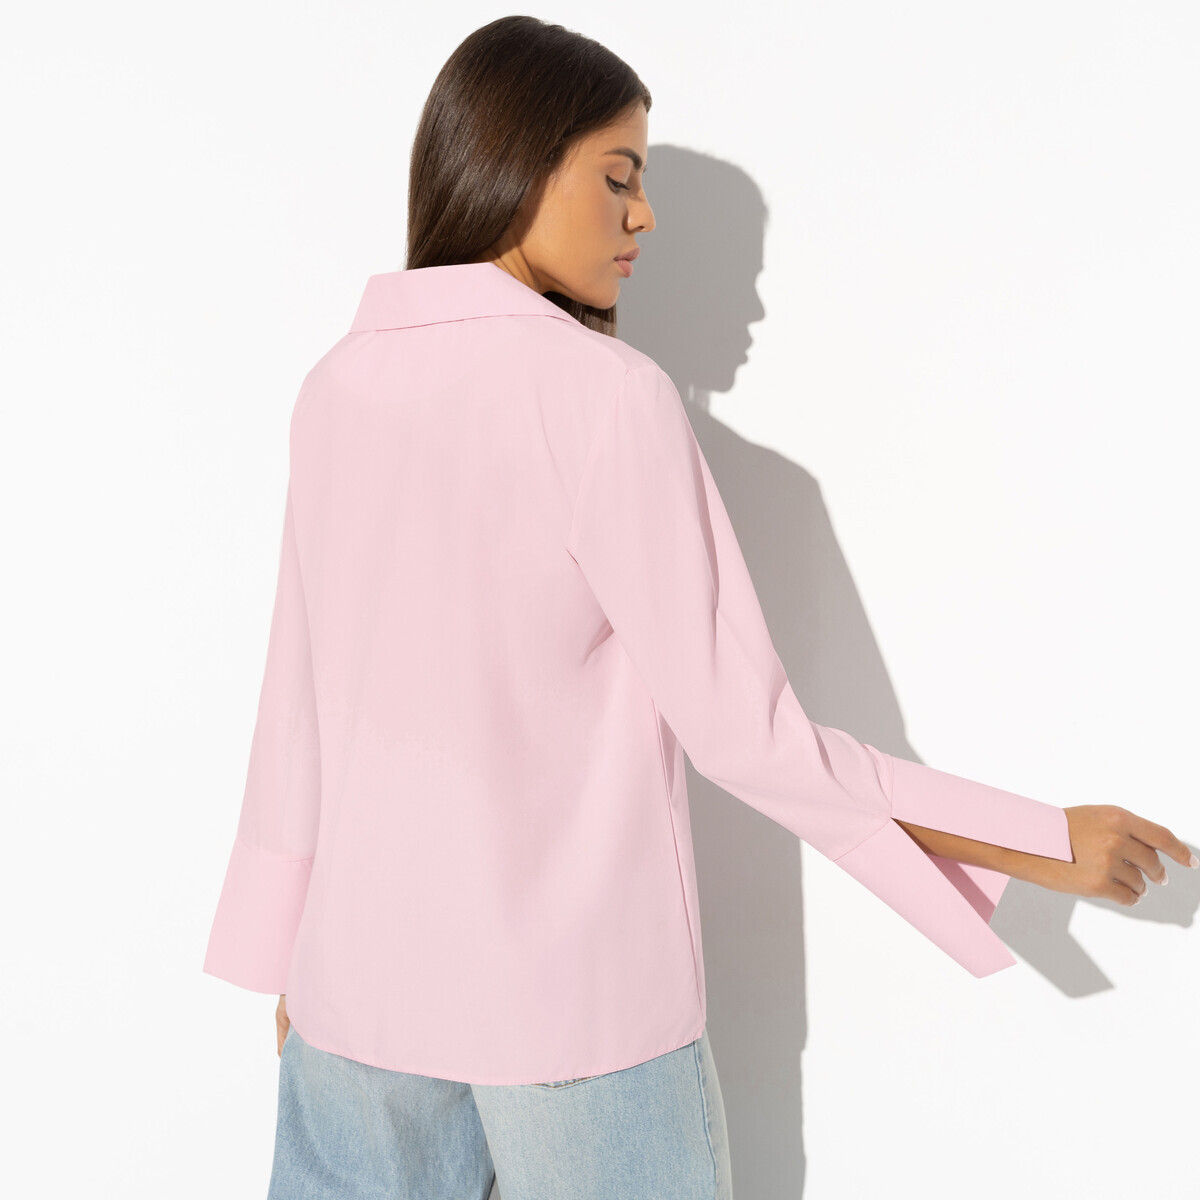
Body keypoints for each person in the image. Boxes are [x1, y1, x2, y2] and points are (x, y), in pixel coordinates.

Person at [201, 15, 1195, 1200]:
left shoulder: (336, 387)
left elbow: (297, 706)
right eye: (619, 176)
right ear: (516, 163)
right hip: (572, 1021)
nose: (645, 218)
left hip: (355, 1004)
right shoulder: (603, 397)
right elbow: (752, 739)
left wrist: (290, 955)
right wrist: (1040, 840)